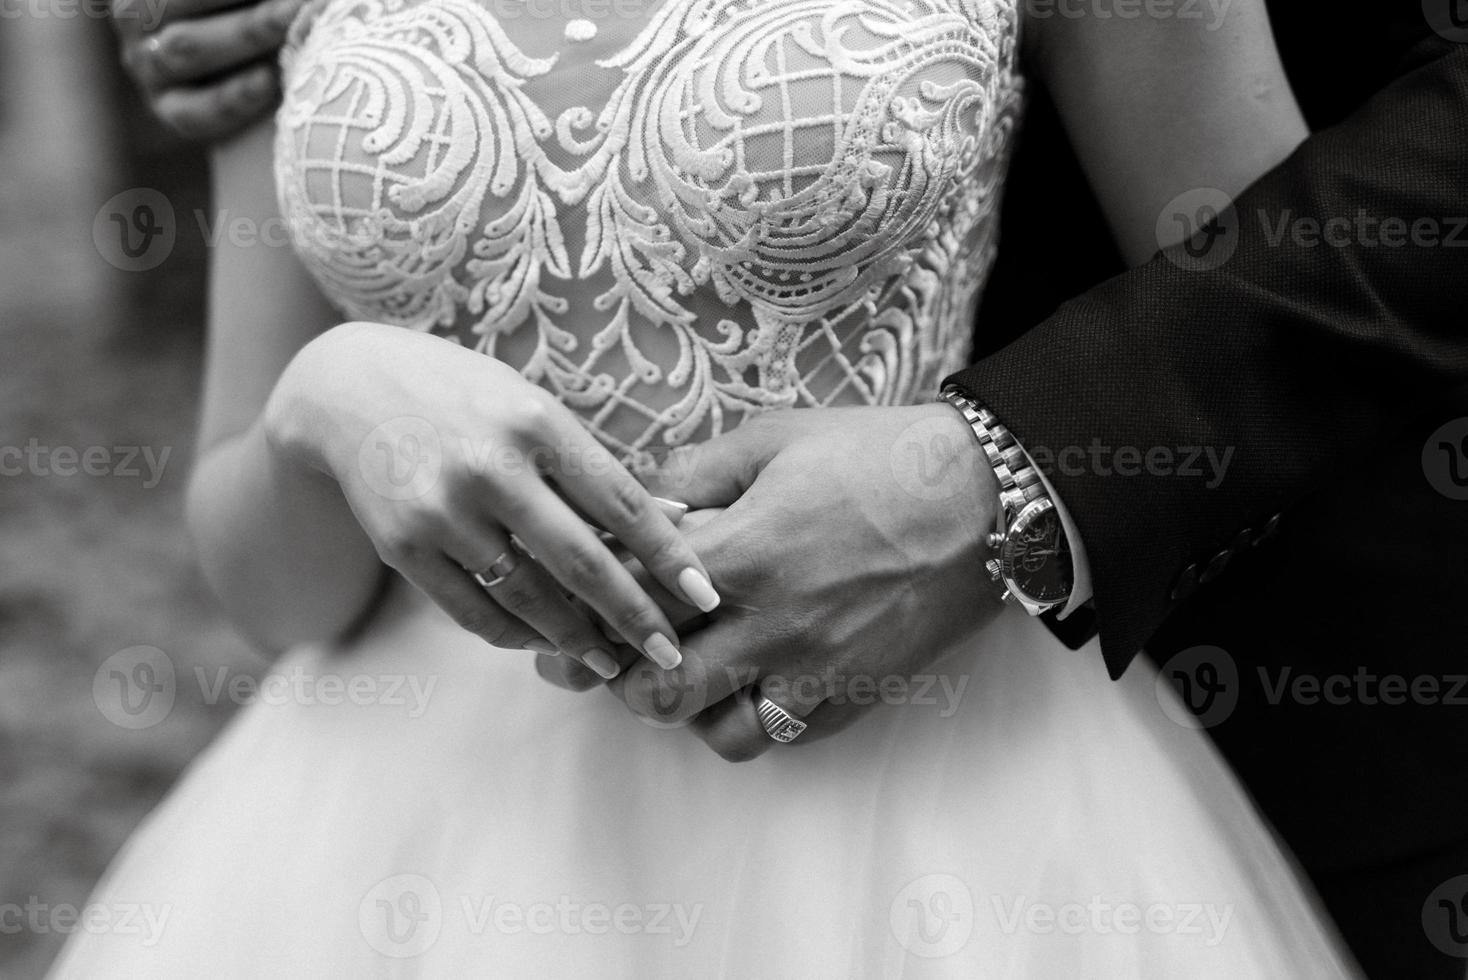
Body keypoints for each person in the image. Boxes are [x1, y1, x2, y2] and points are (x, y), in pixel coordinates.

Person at [56, 0, 1364, 975]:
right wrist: (324, 401)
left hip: (937, 794)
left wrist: (990, 482)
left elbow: (1282, 337)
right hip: (385, 833)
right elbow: (276, 596)